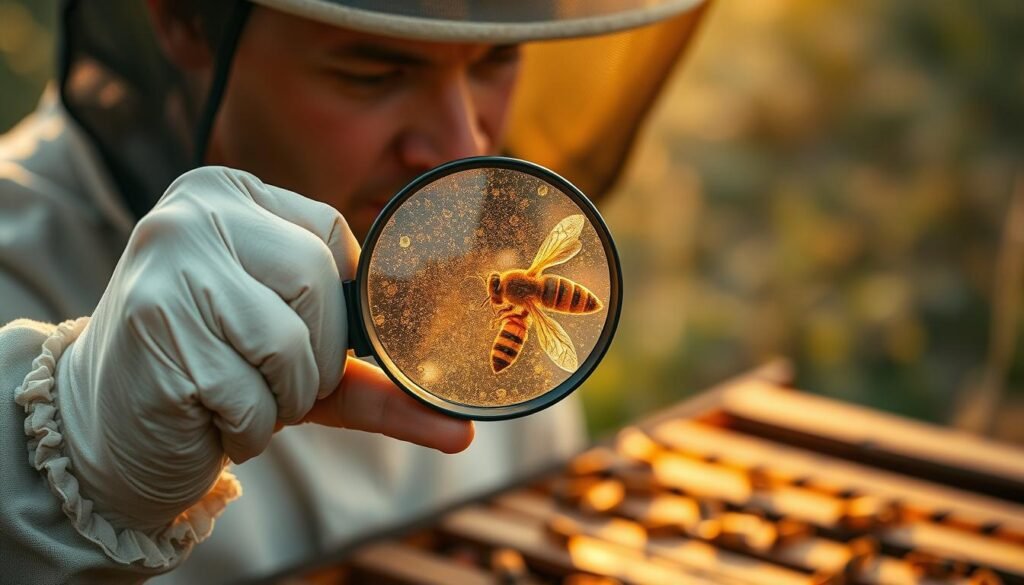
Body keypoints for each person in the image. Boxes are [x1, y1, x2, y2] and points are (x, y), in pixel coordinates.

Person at [0, 0, 706, 582]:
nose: (465, 147)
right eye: (373, 71)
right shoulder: (16, 259)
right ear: (186, 19)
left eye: (498, 58)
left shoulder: (489, 261)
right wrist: (71, 463)